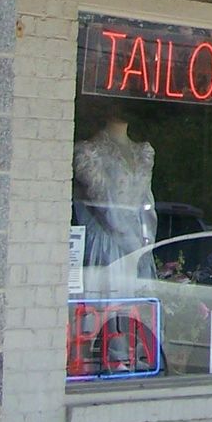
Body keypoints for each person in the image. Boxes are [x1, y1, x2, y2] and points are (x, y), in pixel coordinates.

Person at [72, 112, 158, 290]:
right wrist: (135, 246)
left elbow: (147, 204)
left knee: (135, 304)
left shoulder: (143, 152)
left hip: (138, 241)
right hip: (107, 241)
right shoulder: (90, 152)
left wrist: (146, 243)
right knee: (108, 304)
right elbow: (105, 205)